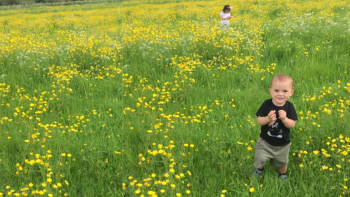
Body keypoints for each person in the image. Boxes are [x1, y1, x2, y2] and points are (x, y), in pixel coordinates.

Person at [252, 74, 298, 180]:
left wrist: (284, 119)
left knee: (282, 162)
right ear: (270, 91)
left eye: (285, 91)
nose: (280, 94)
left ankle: (283, 174)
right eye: (276, 91)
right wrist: (267, 119)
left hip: (283, 144)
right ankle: (259, 170)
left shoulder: (289, 107)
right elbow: (259, 120)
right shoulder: (267, 104)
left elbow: (292, 124)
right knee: (260, 158)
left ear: (291, 92)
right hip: (265, 142)